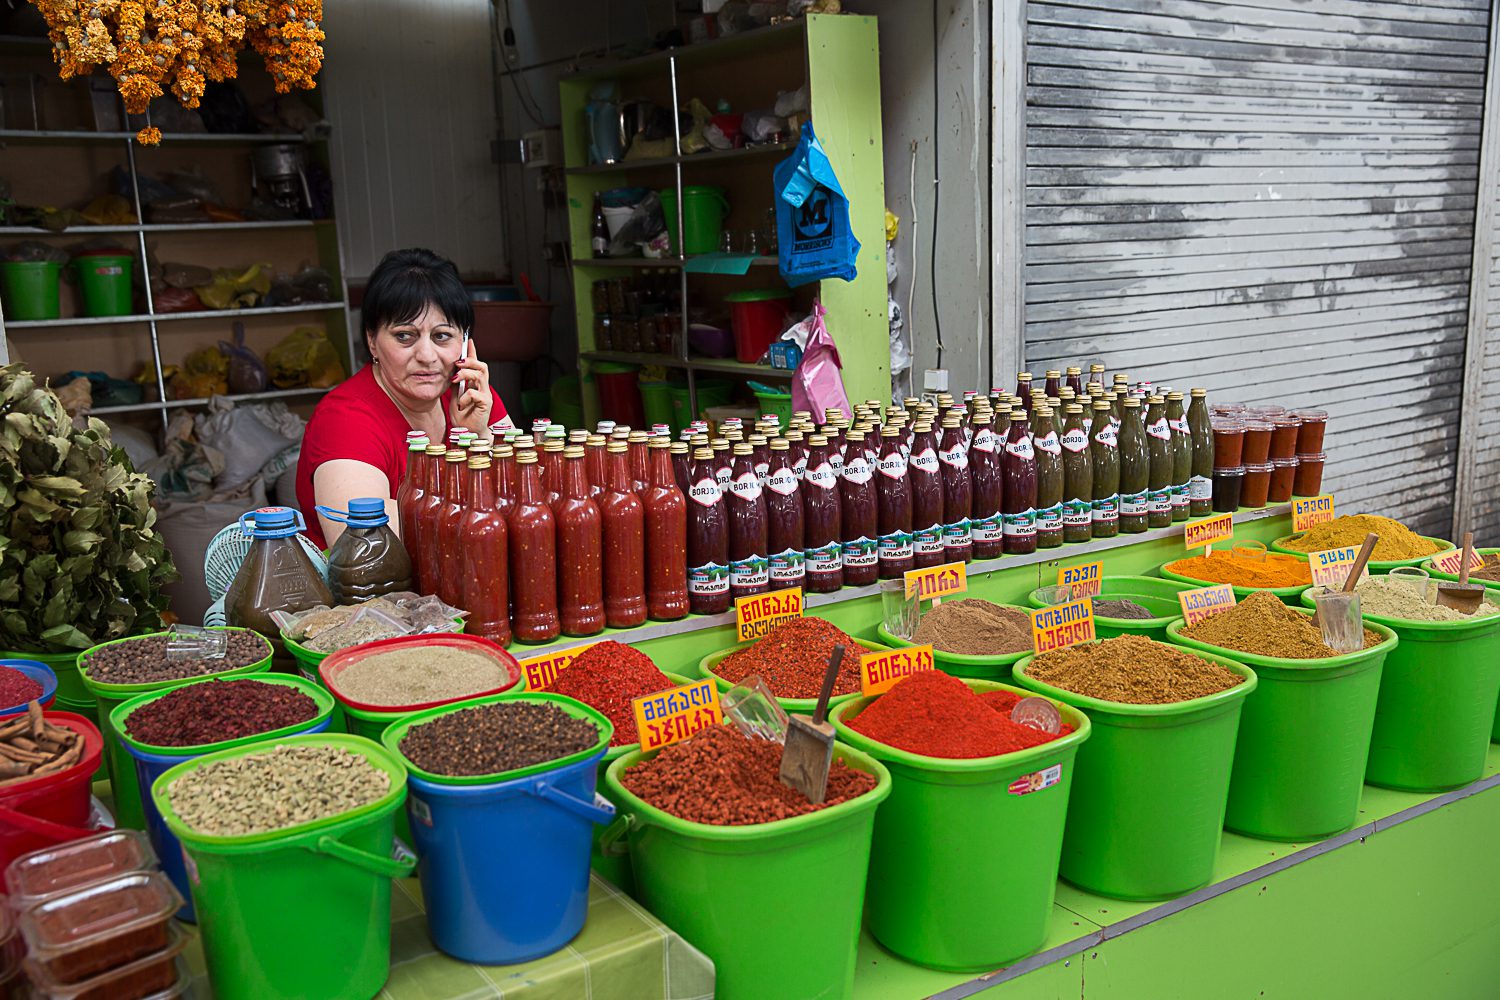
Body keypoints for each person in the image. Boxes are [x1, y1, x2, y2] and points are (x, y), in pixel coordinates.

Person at [296, 247, 511, 549]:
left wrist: (479, 435)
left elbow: (528, 495)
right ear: (372, 340)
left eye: (442, 336)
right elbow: (367, 548)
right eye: (404, 336)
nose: (426, 356)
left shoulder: (472, 395)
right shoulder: (345, 421)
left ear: (465, 342)